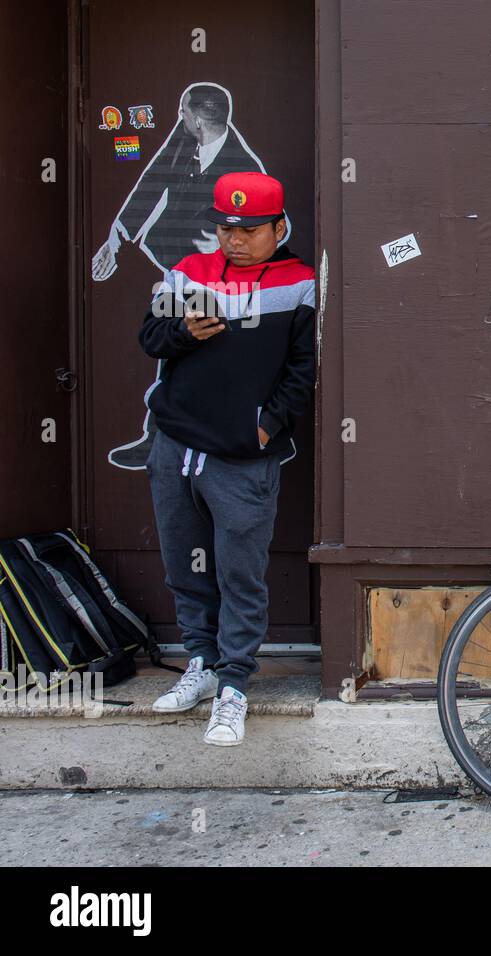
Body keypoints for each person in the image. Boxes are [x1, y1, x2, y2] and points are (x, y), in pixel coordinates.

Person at [142, 172, 315, 746]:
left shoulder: (299, 283)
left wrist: (266, 427)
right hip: (175, 447)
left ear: (279, 227)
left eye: (249, 230)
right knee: (185, 566)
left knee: (240, 573)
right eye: (225, 228)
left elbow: (304, 370)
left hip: (243, 457)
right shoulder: (191, 272)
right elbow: (149, 336)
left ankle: (234, 686)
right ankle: (199, 663)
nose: (234, 239)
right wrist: (184, 332)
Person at [90, 82, 292, 471]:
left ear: (197, 120)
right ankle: (160, 438)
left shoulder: (242, 166)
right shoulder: (185, 139)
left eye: (182, 112)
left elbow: (278, 229)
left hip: (230, 283)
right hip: (186, 272)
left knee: (230, 353)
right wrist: (117, 238)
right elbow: (151, 182)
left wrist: (236, 266)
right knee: (177, 342)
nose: (178, 118)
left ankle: (265, 437)